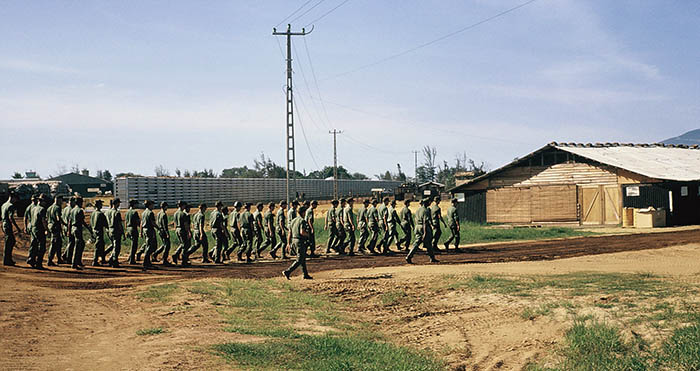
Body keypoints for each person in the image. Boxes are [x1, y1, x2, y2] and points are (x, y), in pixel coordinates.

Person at [282, 203, 313, 280]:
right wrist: (308, 235)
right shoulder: (302, 221)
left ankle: (305, 274)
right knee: (299, 259)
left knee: (302, 258)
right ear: (303, 212)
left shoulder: (293, 221)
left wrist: (288, 243)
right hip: (300, 241)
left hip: (294, 240)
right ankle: (288, 271)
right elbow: (302, 232)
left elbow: (289, 233)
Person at [406, 198, 438, 264]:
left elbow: (415, 218)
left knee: (418, 242)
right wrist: (425, 233)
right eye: (429, 202)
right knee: (428, 242)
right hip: (423, 227)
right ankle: (432, 258)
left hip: (417, 226)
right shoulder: (426, 210)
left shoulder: (418, 210)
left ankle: (409, 256)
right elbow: (425, 222)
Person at [71, 197, 93, 270]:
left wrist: (69, 230)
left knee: (81, 244)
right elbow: (82, 221)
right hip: (77, 228)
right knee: (77, 246)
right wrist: (88, 228)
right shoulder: (80, 211)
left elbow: (69, 221)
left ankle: (78, 261)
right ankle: (74, 263)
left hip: (73, 228)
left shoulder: (72, 210)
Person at [28, 194, 48, 269]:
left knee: (34, 245)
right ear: (42, 201)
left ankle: (31, 260)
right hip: (39, 229)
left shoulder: (33, 208)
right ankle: (39, 263)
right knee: (42, 247)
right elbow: (43, 221)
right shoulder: (42, 209)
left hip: (33, 228)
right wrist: (46, 230)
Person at [1, 191, 22, 266]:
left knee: (9, 241)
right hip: (8, 225)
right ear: (12, 198)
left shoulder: (4, 205)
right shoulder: (10, 206)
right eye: (15, 199)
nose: (16, 201)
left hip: (4, 224)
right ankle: (7, 260)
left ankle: (7, 259)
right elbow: (11, 218)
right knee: (10, 242)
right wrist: (17, 227)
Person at [172, 201, 192, 266]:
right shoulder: (183, 214)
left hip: (177, 229)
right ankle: (184, 260)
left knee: (182, 244)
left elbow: (174, 223)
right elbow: (186, 224)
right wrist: (188, 232)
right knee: (185, 246)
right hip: (182, 230)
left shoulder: (175, 213)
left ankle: (176, 254)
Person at [46, 195, 64, 266]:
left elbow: (47, 218)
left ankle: (59, 258)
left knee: (59, 243)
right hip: (55, 227)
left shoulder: (49, 208)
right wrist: (64, 224)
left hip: (50, 226)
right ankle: (50, 259)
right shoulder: (57, 208)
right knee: (54, 243)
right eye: (61, 200)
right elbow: (58, 218)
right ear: (59, 200)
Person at [106, 198, 125, 267]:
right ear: (116, 203)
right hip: (116, 230)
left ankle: (111, 259)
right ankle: (114, 261)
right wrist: (123, 232)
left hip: (109, 230)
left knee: (114, 245)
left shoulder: (107, 212)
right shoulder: (116, 212)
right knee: (117, 247)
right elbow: (119, 224)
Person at [140, 200, 158, 268]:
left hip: (145, 230)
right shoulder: (150, 213)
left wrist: (141, 232)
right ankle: (146, 262)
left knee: (148, 245)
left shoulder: (143, 213)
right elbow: (153, 223)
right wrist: (158, 228)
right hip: (149, 230)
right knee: (150, 246)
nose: (153, 206)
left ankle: (147, 261)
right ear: (149, 205)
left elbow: (141, 223)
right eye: (152, 205)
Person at [90, 199, 108, 266]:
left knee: (101, 245)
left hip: (94, 230)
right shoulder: (100, 214)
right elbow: (105, 223)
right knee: (98, 246)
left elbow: (91, 223)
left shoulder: (93, 213)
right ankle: (95, 260)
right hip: (99, 231)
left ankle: (102, 259)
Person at [61, 197, 76, 264]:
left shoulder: (64, 209)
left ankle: (65, 255)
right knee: (71, 243)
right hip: (69, 227)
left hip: (65, 227)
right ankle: (67, 257)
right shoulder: (71, 210)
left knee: (70, 242)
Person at [24, 195, 38, 262]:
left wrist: (25, 227)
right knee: (35, 243)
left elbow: (25, 218)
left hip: (30, 226)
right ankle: (32, 258)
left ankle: (31, 257)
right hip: (35, 226)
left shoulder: (28, 207)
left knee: (33, 243)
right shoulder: (36, 207)